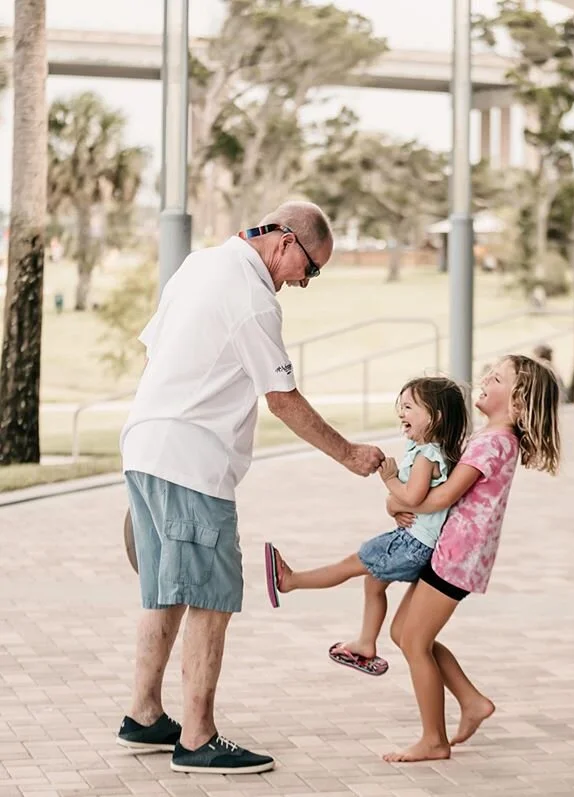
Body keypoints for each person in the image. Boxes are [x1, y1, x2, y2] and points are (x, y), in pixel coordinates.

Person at [117, 201, 385, 775]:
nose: (304, 282)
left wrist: (150, 464)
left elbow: (157, 353)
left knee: (166, 591)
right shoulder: (255, 300)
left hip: (145, 448)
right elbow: (282, 398)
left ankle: (143, 715)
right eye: (309, 269)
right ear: (285, 242)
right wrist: (350, 455)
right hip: (192, 462)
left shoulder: (198, 264)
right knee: (213, 598)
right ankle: (197, 738)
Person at [383, 354, 561, 763]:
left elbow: (444, 496)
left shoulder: (494, 442)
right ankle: (471, 700)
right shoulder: (491, 438)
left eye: (496, 378)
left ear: (517, 402)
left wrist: (396, 495)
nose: (484, 378)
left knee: (414, 640)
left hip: (458, 556)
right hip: (452, 551)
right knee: (404, 633)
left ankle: (433, 740)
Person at [265, 376, 468, 676]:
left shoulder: (428, 456)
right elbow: (414, 501)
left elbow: (412, 496)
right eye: (402, 406)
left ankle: (291, 581)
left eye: (410, 407)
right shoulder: (425, 450)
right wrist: (396, 505)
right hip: (414, 541)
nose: (402, 414)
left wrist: (390, 481)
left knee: (350, 565)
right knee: (373, 582)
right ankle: (366, 643)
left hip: (411, 544)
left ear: (435, 417)